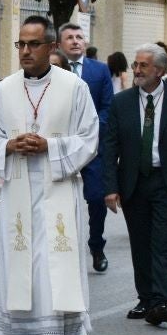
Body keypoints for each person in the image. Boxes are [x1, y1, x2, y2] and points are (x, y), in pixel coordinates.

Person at [0, 15, 98, 335]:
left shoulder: (74, 87)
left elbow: (90, 138)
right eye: (20, 45)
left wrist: (51, 146)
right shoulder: (4, 90)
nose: (25, 52)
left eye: (33, 45)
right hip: (17, 193)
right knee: (21, 273)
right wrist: (10, 146)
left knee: (52, 275)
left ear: (51, 47)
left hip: (58, 192)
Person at [102, 44, 167, 327]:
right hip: (134, 183)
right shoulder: (121, 102)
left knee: (161, 242)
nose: (136, 70)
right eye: (135, 64)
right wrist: (110, 188)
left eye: (143, 65)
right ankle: (145, 297)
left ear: (159, 70)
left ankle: (161, 301)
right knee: (140, 243)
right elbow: (110, 148)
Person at [57, 22, 114, 273]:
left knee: (96, 198)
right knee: (60, 199)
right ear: (60, 44)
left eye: (79, 36)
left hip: (92, 145)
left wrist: (92, 130)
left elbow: (107, 106)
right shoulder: (52, 70)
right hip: (60, 145)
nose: (75, 41)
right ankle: (61, 247)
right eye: (69, 37)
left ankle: (96, 245)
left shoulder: (100, 71)